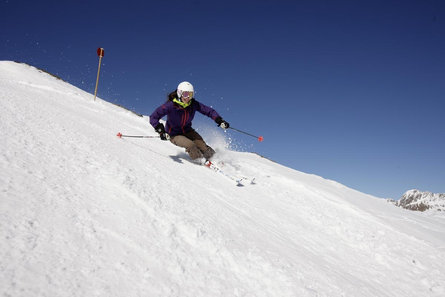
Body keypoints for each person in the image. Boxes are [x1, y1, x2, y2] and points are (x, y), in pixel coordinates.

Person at [150, 81, 230, 160]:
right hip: (174, 134)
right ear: (179, 93)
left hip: (188, 131)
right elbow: (153, 117)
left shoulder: (193, 104)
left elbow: (209, 111)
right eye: (185, 94)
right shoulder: (170, 106)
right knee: (191, 145)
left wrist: (219, 120)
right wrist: (161, 131)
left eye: (190, 94)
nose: (188, 97)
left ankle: (216, 160)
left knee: (202, 146)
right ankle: (200, 162)